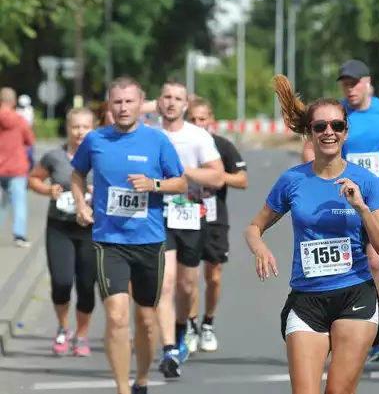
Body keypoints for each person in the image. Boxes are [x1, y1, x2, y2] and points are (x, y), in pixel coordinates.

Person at [247, 75, 379, 394]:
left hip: (355, 294)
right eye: (320, 127)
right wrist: (259, 247)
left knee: (338, 391)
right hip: (307, 298)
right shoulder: (292, 180)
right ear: (309, 132)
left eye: (337, 126)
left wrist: (361, 208)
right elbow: (253, 227)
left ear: (345, 131)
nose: (329, 132)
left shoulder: (366, 182)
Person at [70, 76, 187, 394]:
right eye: (117, 102)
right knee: (117, 317)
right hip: (109, 242)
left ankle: (142, 381)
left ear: (141, 103)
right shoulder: (95, 140)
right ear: (109, 105)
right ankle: (122, 389)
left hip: (149, 240)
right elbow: (77, 174)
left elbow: (181, 182)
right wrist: (81, 204)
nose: (123, 107)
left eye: (129, 101)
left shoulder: (157, 140)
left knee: (146, 321)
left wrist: (155, 185)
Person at [301, 59, 379, 361]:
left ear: (367, 82)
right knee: (342, 257)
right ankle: (337, 322)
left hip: (377, 195)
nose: (349, 89)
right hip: (342, 194)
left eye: (354, 83)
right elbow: (310, 147)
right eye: (345, 84)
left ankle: (371, 331)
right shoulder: (336, 115)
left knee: (377, 262)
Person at [154, 81, 224, 375]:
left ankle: (183, 328)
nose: (171, 103)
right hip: (158, 214)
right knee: (166, 282)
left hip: (191, 215)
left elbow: (218, 177)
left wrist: (184, 176)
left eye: (177, 98)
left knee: (186, 285)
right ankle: (170, 347)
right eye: (166, 97)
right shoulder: (150, 134)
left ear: (186, 104)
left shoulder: (197, 137)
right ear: (159, 101)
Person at [28, 108, 97, 357]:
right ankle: (63, 328)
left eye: (85, 127)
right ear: (67, 129)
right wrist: (49, 191)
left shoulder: (100, 156)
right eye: (75, 127)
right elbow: (33, 179)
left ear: (93, 129)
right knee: (62, 281)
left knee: (87, 287)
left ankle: (81, 336)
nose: (79, 132)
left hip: (91, 230)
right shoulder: (54, 156)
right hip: (60, 228)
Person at [185, 98, 248, 353]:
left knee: (213, 275)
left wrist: (216, 177)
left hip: (214, 217)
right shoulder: (180, 145)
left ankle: (208, 323)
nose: (198, 124)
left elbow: (243, 180)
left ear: (211, 120)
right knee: (189, 275)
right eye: (192, 119)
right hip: (185, 214)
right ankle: (189, 325)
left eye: (202, 119)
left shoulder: (222, 146)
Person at [0, 87, 35, 248]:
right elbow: (30, 140)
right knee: (18, 202)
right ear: (13, 102)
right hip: (17, 167)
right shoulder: (20, 121)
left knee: (2, 204)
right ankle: (19, 235)